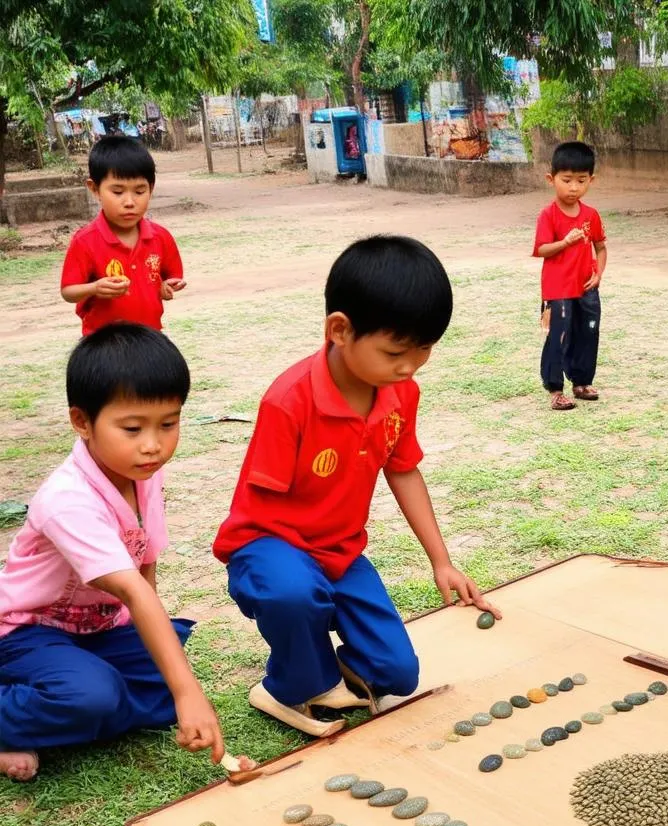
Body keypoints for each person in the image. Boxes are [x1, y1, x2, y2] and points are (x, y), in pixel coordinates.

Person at [213, 236, 499, 736]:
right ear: (340, 329)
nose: (409, 366)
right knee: (294, 593)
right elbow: (258, 518)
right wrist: (296, 581)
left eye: (425, 349)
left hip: (341, 552)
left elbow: (404, 468)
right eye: (395, 351)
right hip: (269, 546)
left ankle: (331, 666)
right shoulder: (289, 400)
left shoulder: (400, 392)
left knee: (397, 675)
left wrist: (442, 561)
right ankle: (285, 686)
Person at [0, 325, 226, 781]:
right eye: (132, 428)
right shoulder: (68, 499)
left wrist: (179, 686)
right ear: (82, 422)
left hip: (96, 629)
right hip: (23, 633)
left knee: (166, 667)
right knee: (102, 694)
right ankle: (60, 708)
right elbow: (132, 590)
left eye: (169, 423)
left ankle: (66, 712)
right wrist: (188, 695)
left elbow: (146, 571)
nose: (153, 444)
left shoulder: (143, 471)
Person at [60, 136, 186, 336]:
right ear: (95, 189)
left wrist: (166, 287)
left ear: (151, 189)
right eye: (117, 192)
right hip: (102, 343)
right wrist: (94, 288)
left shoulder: (160, 237)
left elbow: (170, 278)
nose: (129, 201)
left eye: (139, 191)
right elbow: (68, 292)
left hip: (149, 337)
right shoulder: (85, 241)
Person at [532, 141, 608, 411]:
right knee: (559, 336)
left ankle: (582, 382)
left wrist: (598, 273)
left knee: (588, 333)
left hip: (586, 287)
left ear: (591, 180)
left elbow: (600, 247)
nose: (573, 187)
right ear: (551, 179)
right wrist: (565, 242)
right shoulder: (548, 215)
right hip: (558, 289)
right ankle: (555, 389)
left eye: (581, 180)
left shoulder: (591, 215)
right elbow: (541, 249)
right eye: (566, 180)